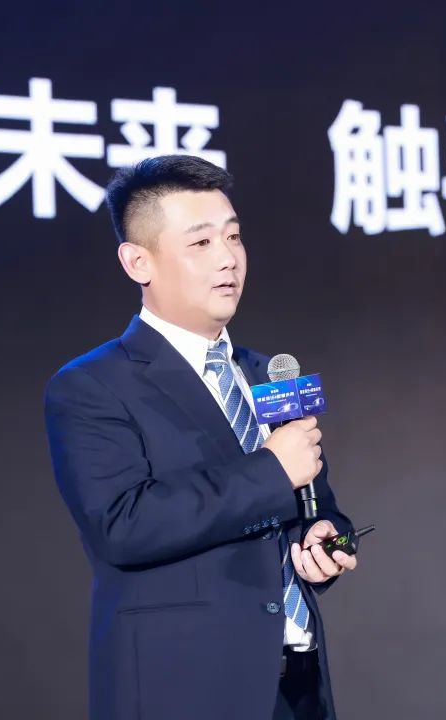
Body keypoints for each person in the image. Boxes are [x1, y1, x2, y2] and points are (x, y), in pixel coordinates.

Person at [45, 155, 360, 720]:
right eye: (201, 243)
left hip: (296, 686)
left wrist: (326, 541)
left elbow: (317, 506)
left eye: (233, 237)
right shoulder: (92, 384)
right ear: (138, 261)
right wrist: (271, 471)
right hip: (184, 689)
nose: (228, 258)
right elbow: (124, 525)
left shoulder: (266, 374)